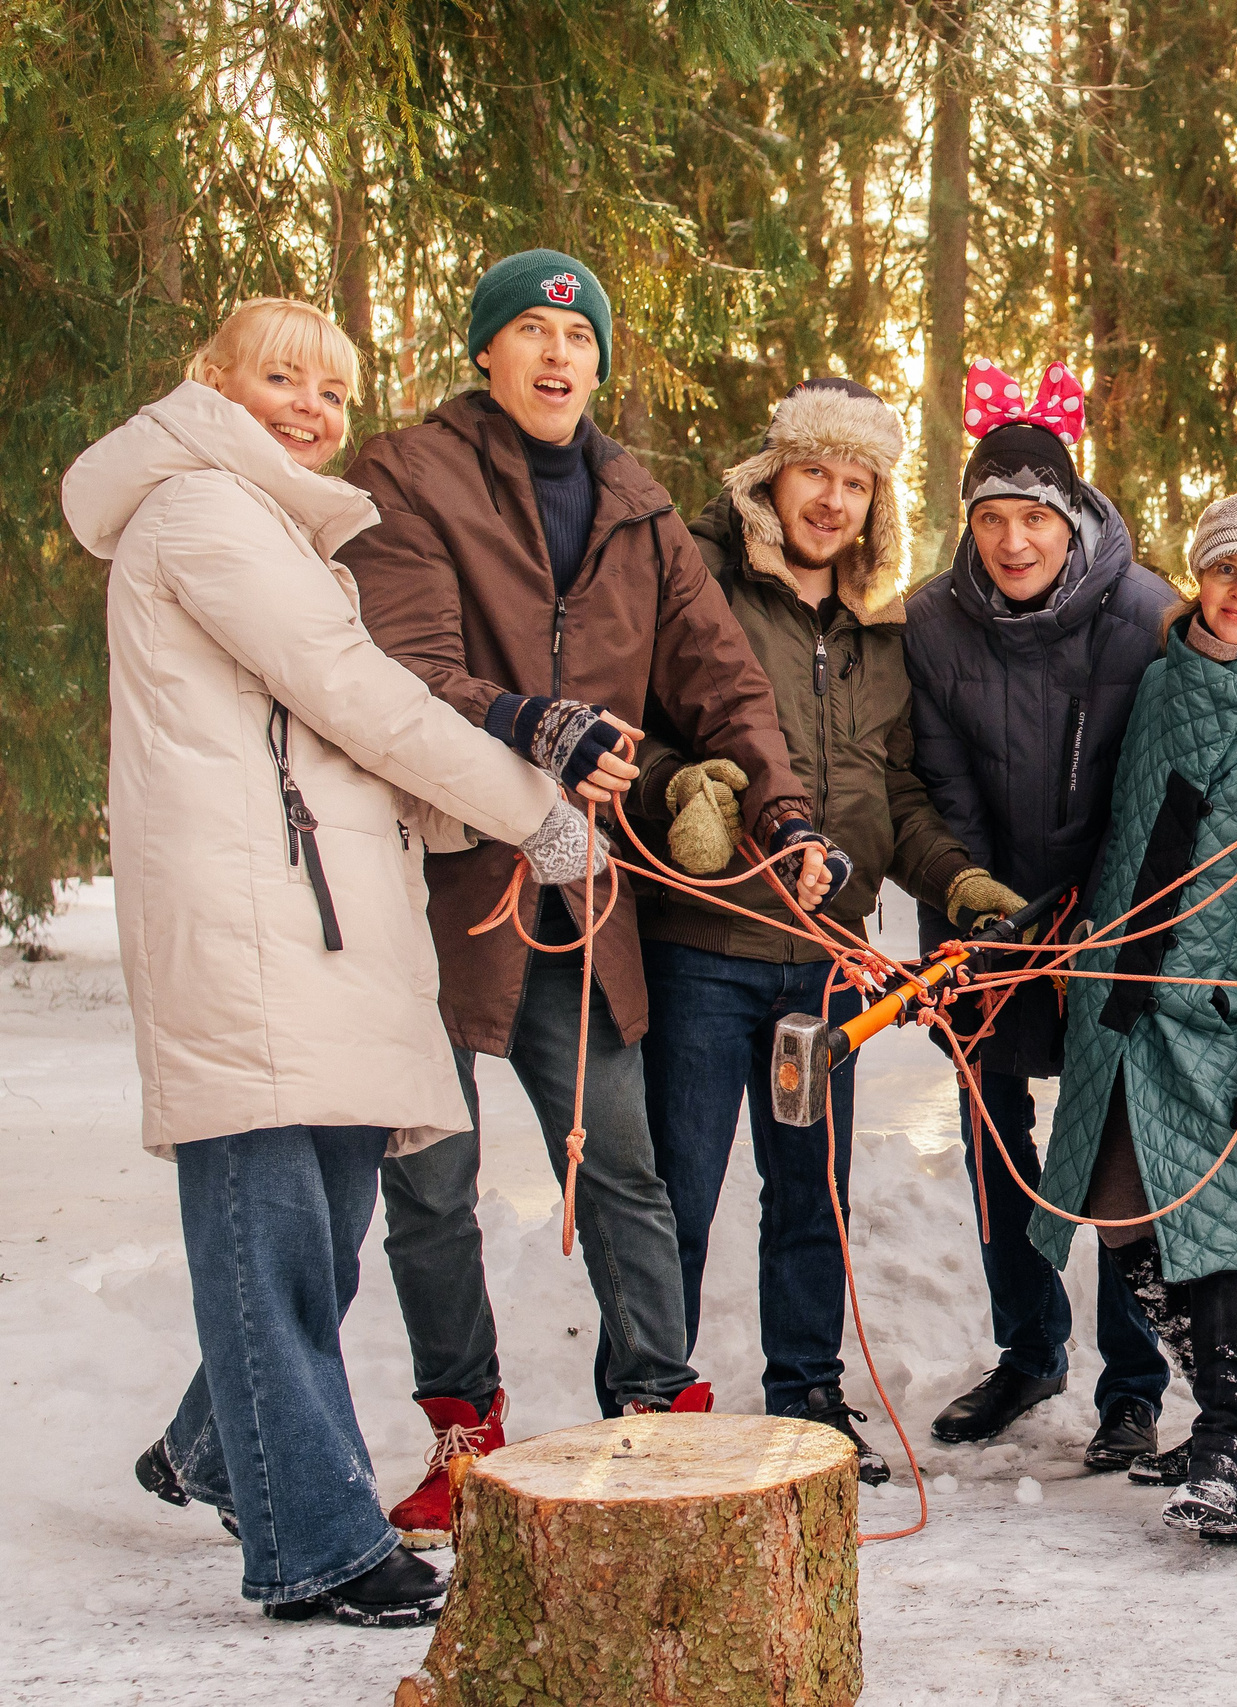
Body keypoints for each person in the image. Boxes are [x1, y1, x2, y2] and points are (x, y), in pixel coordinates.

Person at [66, 300, 603, 1625]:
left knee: (325, 1237)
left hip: (328, 921)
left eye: (333, 385)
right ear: (214, 382)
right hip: (252, 928)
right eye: (280, 375)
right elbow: (353, 692)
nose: (311, 403)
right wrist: (525, 807)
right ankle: (315, 1540)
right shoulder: (200, 509)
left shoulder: (273, 528)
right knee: (272, 1242)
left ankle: (209, 1448)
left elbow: (340, 738)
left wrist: (480, 798)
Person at [340, 249, 834, 1549]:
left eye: (580, 337)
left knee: (621, 1156)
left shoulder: (635, 501)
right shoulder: (407, 476)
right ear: (487, 350)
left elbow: (721, 673)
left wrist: (783, 811)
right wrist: (529, 722)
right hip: (436, 888)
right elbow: (397, 669)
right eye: (532, 331)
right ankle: (462, 1429)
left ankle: (654, 1399)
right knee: (431, 1177)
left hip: (576, 888)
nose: (560, 356)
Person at [619, 376, 1019, 1482]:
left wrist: (959, 877)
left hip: (825, 968)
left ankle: (806, 1393)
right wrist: (673, 784)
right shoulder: (698, 585)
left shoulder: (880, 633)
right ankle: (648, 1395)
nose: (832, 500)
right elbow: (635, 726)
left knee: (813, 1193)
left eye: (856, 482)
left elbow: (894, 792)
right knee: (680, 1185)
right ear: (772, 476)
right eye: (816, 474)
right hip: (704, 945)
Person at [1029, 495, 1237, 1540]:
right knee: (1122, 1213)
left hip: (1216, 1022)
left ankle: (1225, 1444)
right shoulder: (1162, 682)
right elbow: (1120, 828)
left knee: (1218, 1234)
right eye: (1225, 569)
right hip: (1114, 997)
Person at [904, 361, 1177, 1466]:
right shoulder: (930, 619)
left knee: (1113, 1147)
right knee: (993, 1134)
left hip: (1108, 914)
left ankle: (1134, 1381)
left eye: (1034, 518)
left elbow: (1159, 781)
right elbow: (935, 773)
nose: (1013, 542)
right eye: (991, 518)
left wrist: (1094, 912)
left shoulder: (1147, 613)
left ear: (1073, 520)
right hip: (983, 913)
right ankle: (1028, 1348)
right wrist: (979, 899)